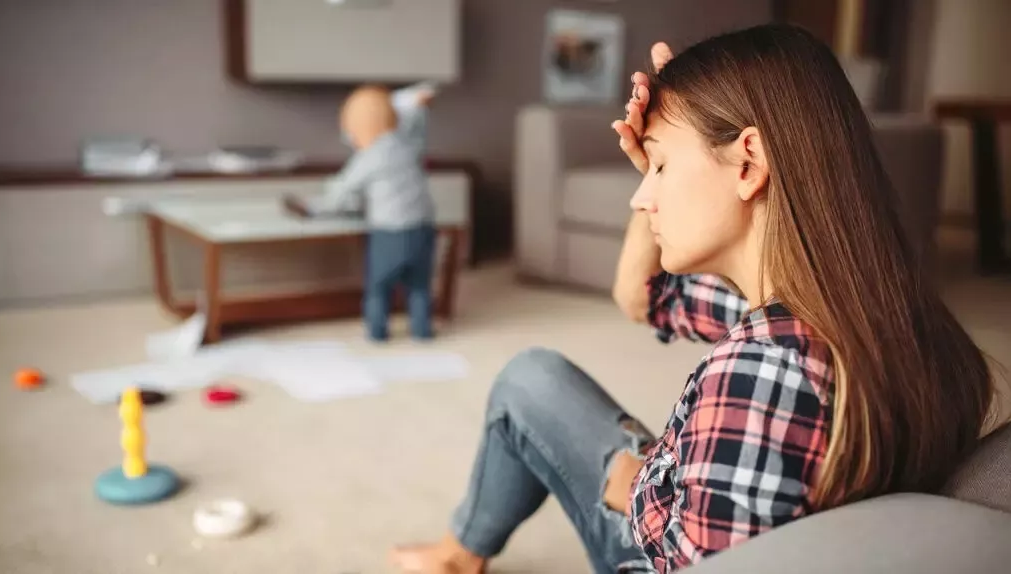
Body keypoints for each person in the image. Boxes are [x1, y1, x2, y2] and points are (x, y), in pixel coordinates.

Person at [389, 24, 998, 574]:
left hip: (655, 540)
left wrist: (627, 477)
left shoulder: (760, 372)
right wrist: (666, 143)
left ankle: (456, 555)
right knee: (537, 373)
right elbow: (641, 296)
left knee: (525, 384)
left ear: (748, 163)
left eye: (658, 168)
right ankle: (458, 552)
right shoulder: (881, 312)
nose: (640, 197)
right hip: (727, 504)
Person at [285, 83, 438, 341]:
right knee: (419, 286)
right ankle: (422, 332)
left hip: (390, 233)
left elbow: (341, 191)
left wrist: (313, 206)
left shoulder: (370, 157)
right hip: (423, 229)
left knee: (379, 286)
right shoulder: (409, 145)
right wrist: (414, 105)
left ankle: (377, 333)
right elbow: (416, 121)